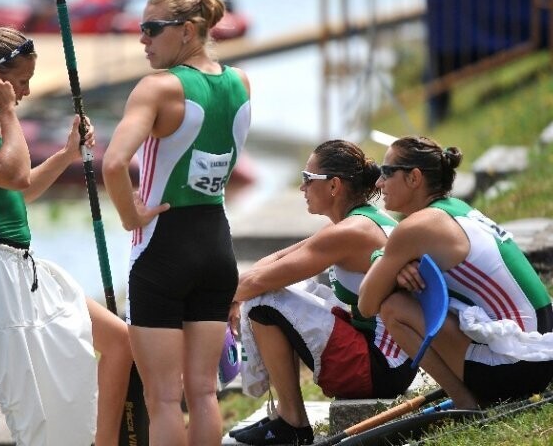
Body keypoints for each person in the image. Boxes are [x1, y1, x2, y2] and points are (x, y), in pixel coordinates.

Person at [0, 26, 132, 446]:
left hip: (21, 265)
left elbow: (23, 189)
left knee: (119, 342)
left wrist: (67, 153)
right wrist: (9, 112)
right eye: (21, 82)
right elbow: (16, 173)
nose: (26, 91)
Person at [102, 0, 251, 446]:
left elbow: (112, 164)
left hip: (162, 247)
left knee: (164, 398)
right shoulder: (240, 81)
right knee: (205, 391)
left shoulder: (158, 87)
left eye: (151, 29)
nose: (142, 40)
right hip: (216, 244)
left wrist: (131, 217)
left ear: (187, 31)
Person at [228, 140, 417, 446]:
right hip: (393, 361)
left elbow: (259, 281)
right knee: (271, 290)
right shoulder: (359, 222)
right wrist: (241, 291)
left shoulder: (351, 232)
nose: (302, 187)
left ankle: (292, 423)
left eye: (307, 179)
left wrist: (220, 302)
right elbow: (270, 263)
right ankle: (284, 416)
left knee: (263, 301)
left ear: (333, 186)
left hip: (379, 368)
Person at [358, 135, 553, 410]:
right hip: (541, 352)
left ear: (414, 178)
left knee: (393, 307)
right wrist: (393, 262)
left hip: (518, 367)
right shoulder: (456, 209)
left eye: (386, 172)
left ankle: (465, 402)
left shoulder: (417, 226)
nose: (379, 183)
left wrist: (386, 259)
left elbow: (366, 304)